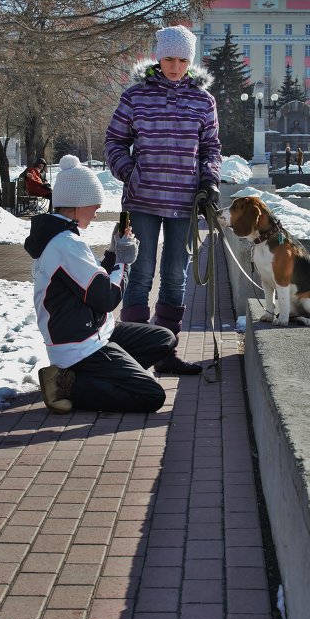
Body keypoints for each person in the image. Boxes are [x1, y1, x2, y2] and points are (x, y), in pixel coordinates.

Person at [105, 24, 221, 375]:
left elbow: (211, 148)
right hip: (141, 201)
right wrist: (130, 172)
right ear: (158, 57)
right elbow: (113, 141)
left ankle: (165, 354)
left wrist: (210, 182)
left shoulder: (204, 101)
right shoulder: (136, 96)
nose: (174, 66)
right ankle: (134, 357)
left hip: (184, 205)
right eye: (169, 58)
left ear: (191, 60)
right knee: (139, 275)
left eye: (182, 60)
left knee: (175, 277)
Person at [24, 155, 176, 415]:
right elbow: (106, 298)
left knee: (163, 338)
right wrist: (124, 261)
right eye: (94, 206)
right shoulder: (65, 244)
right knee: (151, 396)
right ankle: (68, 385)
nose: (96, 213)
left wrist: (114, 252)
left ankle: (98, 378)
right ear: (77, 203)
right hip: (80, 346)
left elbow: (91, 282)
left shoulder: (62, 237)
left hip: (92, 333)